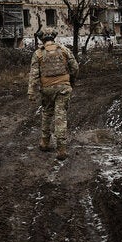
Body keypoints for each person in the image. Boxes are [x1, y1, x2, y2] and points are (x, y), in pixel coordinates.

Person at [28, 27, 79, 160]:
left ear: (42, 39)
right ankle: (61, 149)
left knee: (47, 113)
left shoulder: (38, 54)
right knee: (60, 116)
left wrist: (31, 92)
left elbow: (34, 75)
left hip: (47, 89)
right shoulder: (64, 50)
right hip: (63, 88)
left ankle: (44, 142)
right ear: (53, 38)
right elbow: (75, 67)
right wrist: (70, 81)